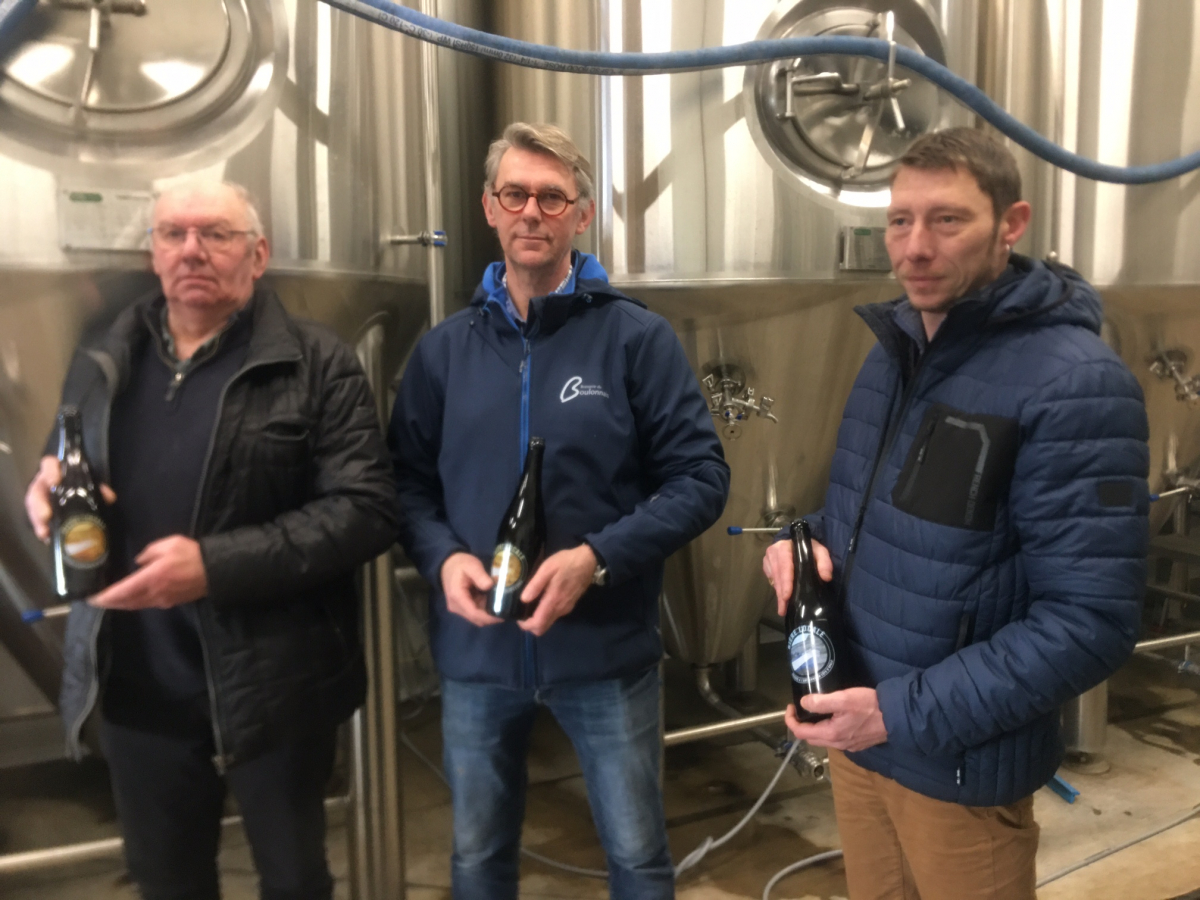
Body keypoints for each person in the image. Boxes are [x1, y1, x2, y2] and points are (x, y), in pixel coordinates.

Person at [762, 128, 1149, 900]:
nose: (915, 247)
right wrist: (799, 544)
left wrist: (896, 714)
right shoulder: (893, 354)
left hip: (957, 771)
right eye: (900, 221)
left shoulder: (1074, 384)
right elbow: (870, 516)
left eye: (947, 220)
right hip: (860, 742)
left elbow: (1090, 623)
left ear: (1011, 224)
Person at [24, 181, 396, 900]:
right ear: (154, 253)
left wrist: (212, 567)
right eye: (173, 234)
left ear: (258, 255)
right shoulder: (104, 356)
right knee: (167, 882)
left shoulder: (317, 362)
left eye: (216, 234)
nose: (191, 250)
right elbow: (65, 458)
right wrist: (47, 479)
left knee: (294, 881)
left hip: (273, 689)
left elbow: (366, 509)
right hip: (136, 682)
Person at [389, 122, 729, 900]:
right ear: (489, 207)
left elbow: (701, 478)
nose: (532, 212)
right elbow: (404, 482)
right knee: (478, 857)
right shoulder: (444, 351)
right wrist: (443, 557)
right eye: (515, 194)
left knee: (638, 858)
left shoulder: (636, 339)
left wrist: (597, 560)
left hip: (604, 654)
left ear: (582, 213)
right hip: (477, 656)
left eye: (552, 196)